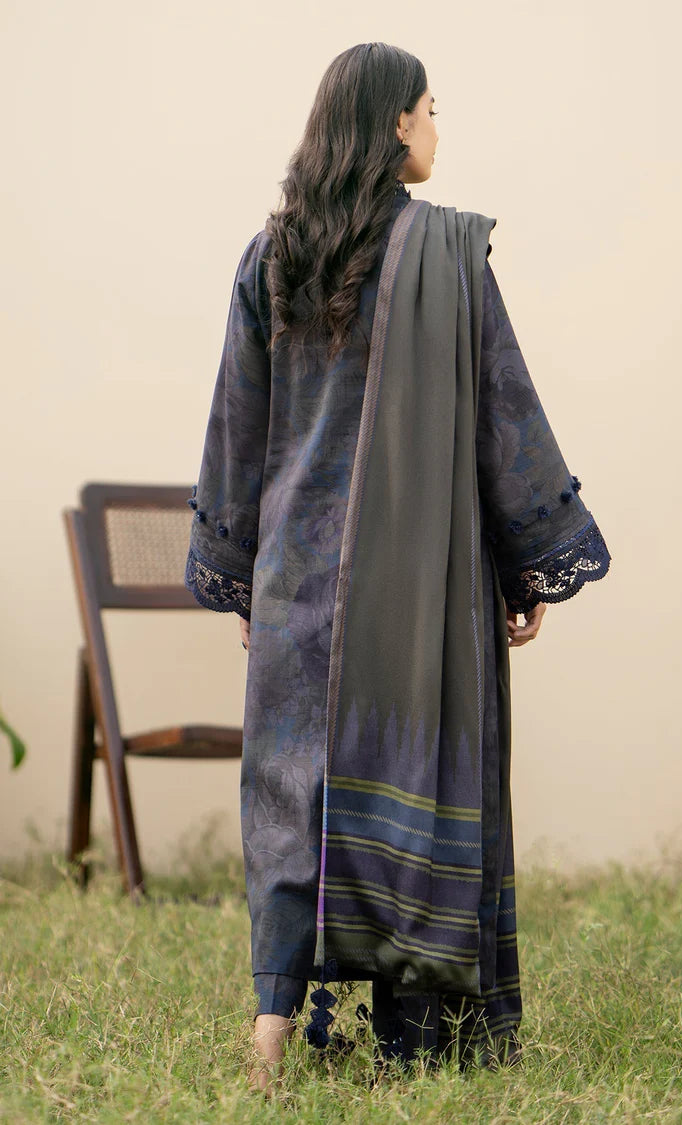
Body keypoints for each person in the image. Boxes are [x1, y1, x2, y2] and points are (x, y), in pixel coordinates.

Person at [184, 42, 611, 1092]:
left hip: (298, 577)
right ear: (392, 124)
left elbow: (238, 430)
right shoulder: (449, 259)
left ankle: (272, 1033)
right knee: (409, 781)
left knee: (293, 798)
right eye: (430, 109)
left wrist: (243, 571)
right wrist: (527, 563)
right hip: (419, 593)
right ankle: (417, 1037)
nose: (436, 128)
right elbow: (503, 416)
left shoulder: (271, 256)